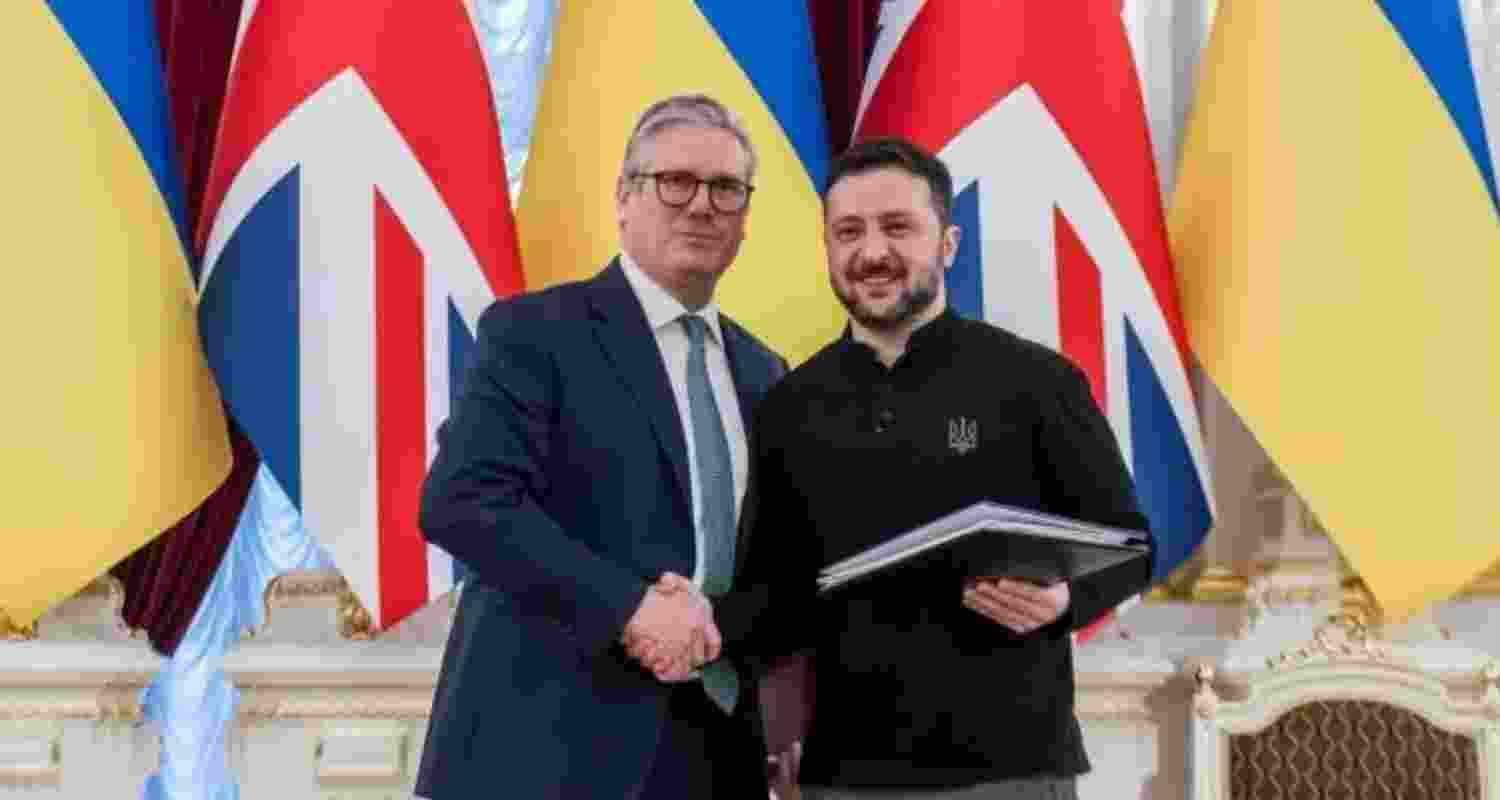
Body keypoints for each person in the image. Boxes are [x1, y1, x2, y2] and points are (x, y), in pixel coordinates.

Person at [637, 136, 1154, 798]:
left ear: (948, 243)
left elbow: (1132, 546)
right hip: (846, 777)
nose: (872, 252)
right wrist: (687, 620)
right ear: (827, 248)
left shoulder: (1036, 381)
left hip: (1013, 771)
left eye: (898, 227)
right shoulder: (790, 405)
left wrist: (1064, 601)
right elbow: (777, 599)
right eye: (848, 231)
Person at [414, 93, 788, 800]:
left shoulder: (765, 373)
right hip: (545, 752)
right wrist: (630, 605)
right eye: (674, 181)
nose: (702, 205)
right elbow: (462, 502)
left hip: (717, 756)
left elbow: (769, 564)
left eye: (726, 188)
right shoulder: (536, 333)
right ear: (624, 196)